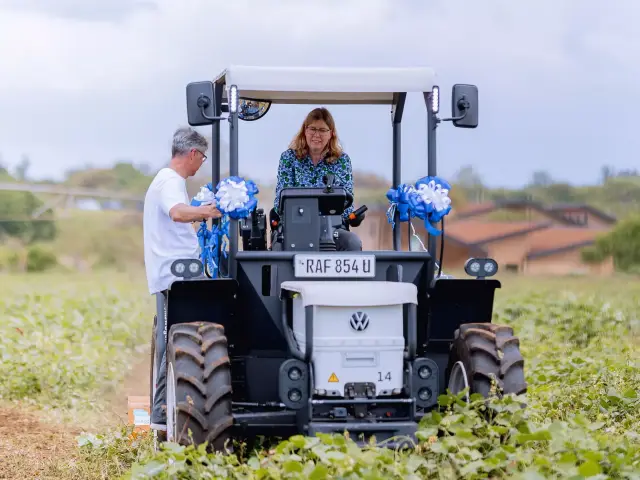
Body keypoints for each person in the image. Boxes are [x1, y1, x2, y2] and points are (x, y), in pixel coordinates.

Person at [143, 126, 222, 436]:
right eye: (201, 157)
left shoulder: (166, 181)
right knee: (174, 345)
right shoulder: (170, 182)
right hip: (176, 277)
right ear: (191, 153)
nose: (201, 162)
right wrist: (207, 212)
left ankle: (164, 414)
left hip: (176, 274)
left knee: (174, 343)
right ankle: (162, 415)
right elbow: (177, 213)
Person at [272, 107, 363, 251]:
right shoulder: (289, 158)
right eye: (312, 129)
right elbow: (280, 202)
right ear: (305, 131)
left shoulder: (342, 161)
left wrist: (352, 216)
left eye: (322, 130)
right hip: (296, 227)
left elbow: (346, 203)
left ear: (331, 133)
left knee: (352, 242)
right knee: (278, 245)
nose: (316, 134)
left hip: (332, 228)